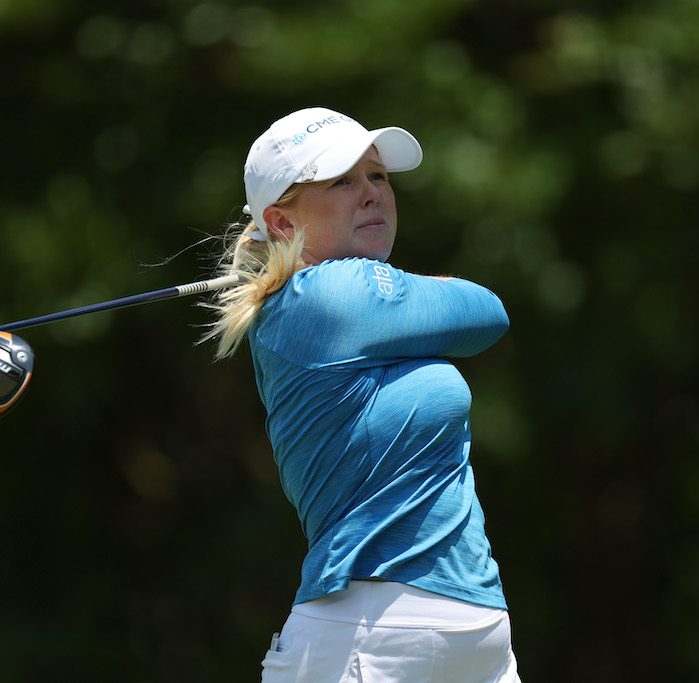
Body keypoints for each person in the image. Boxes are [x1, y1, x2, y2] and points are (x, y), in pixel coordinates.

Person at [203, 107, 521, 682]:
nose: (373, 192)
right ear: (281, 221)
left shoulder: (350, 299)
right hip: (366, 633)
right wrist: (420, 295)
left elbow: (487, 313)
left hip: (476, 630)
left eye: (377, 175)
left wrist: (405, 296)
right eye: (342, 182)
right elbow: (482, 309)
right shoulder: (323, 298)